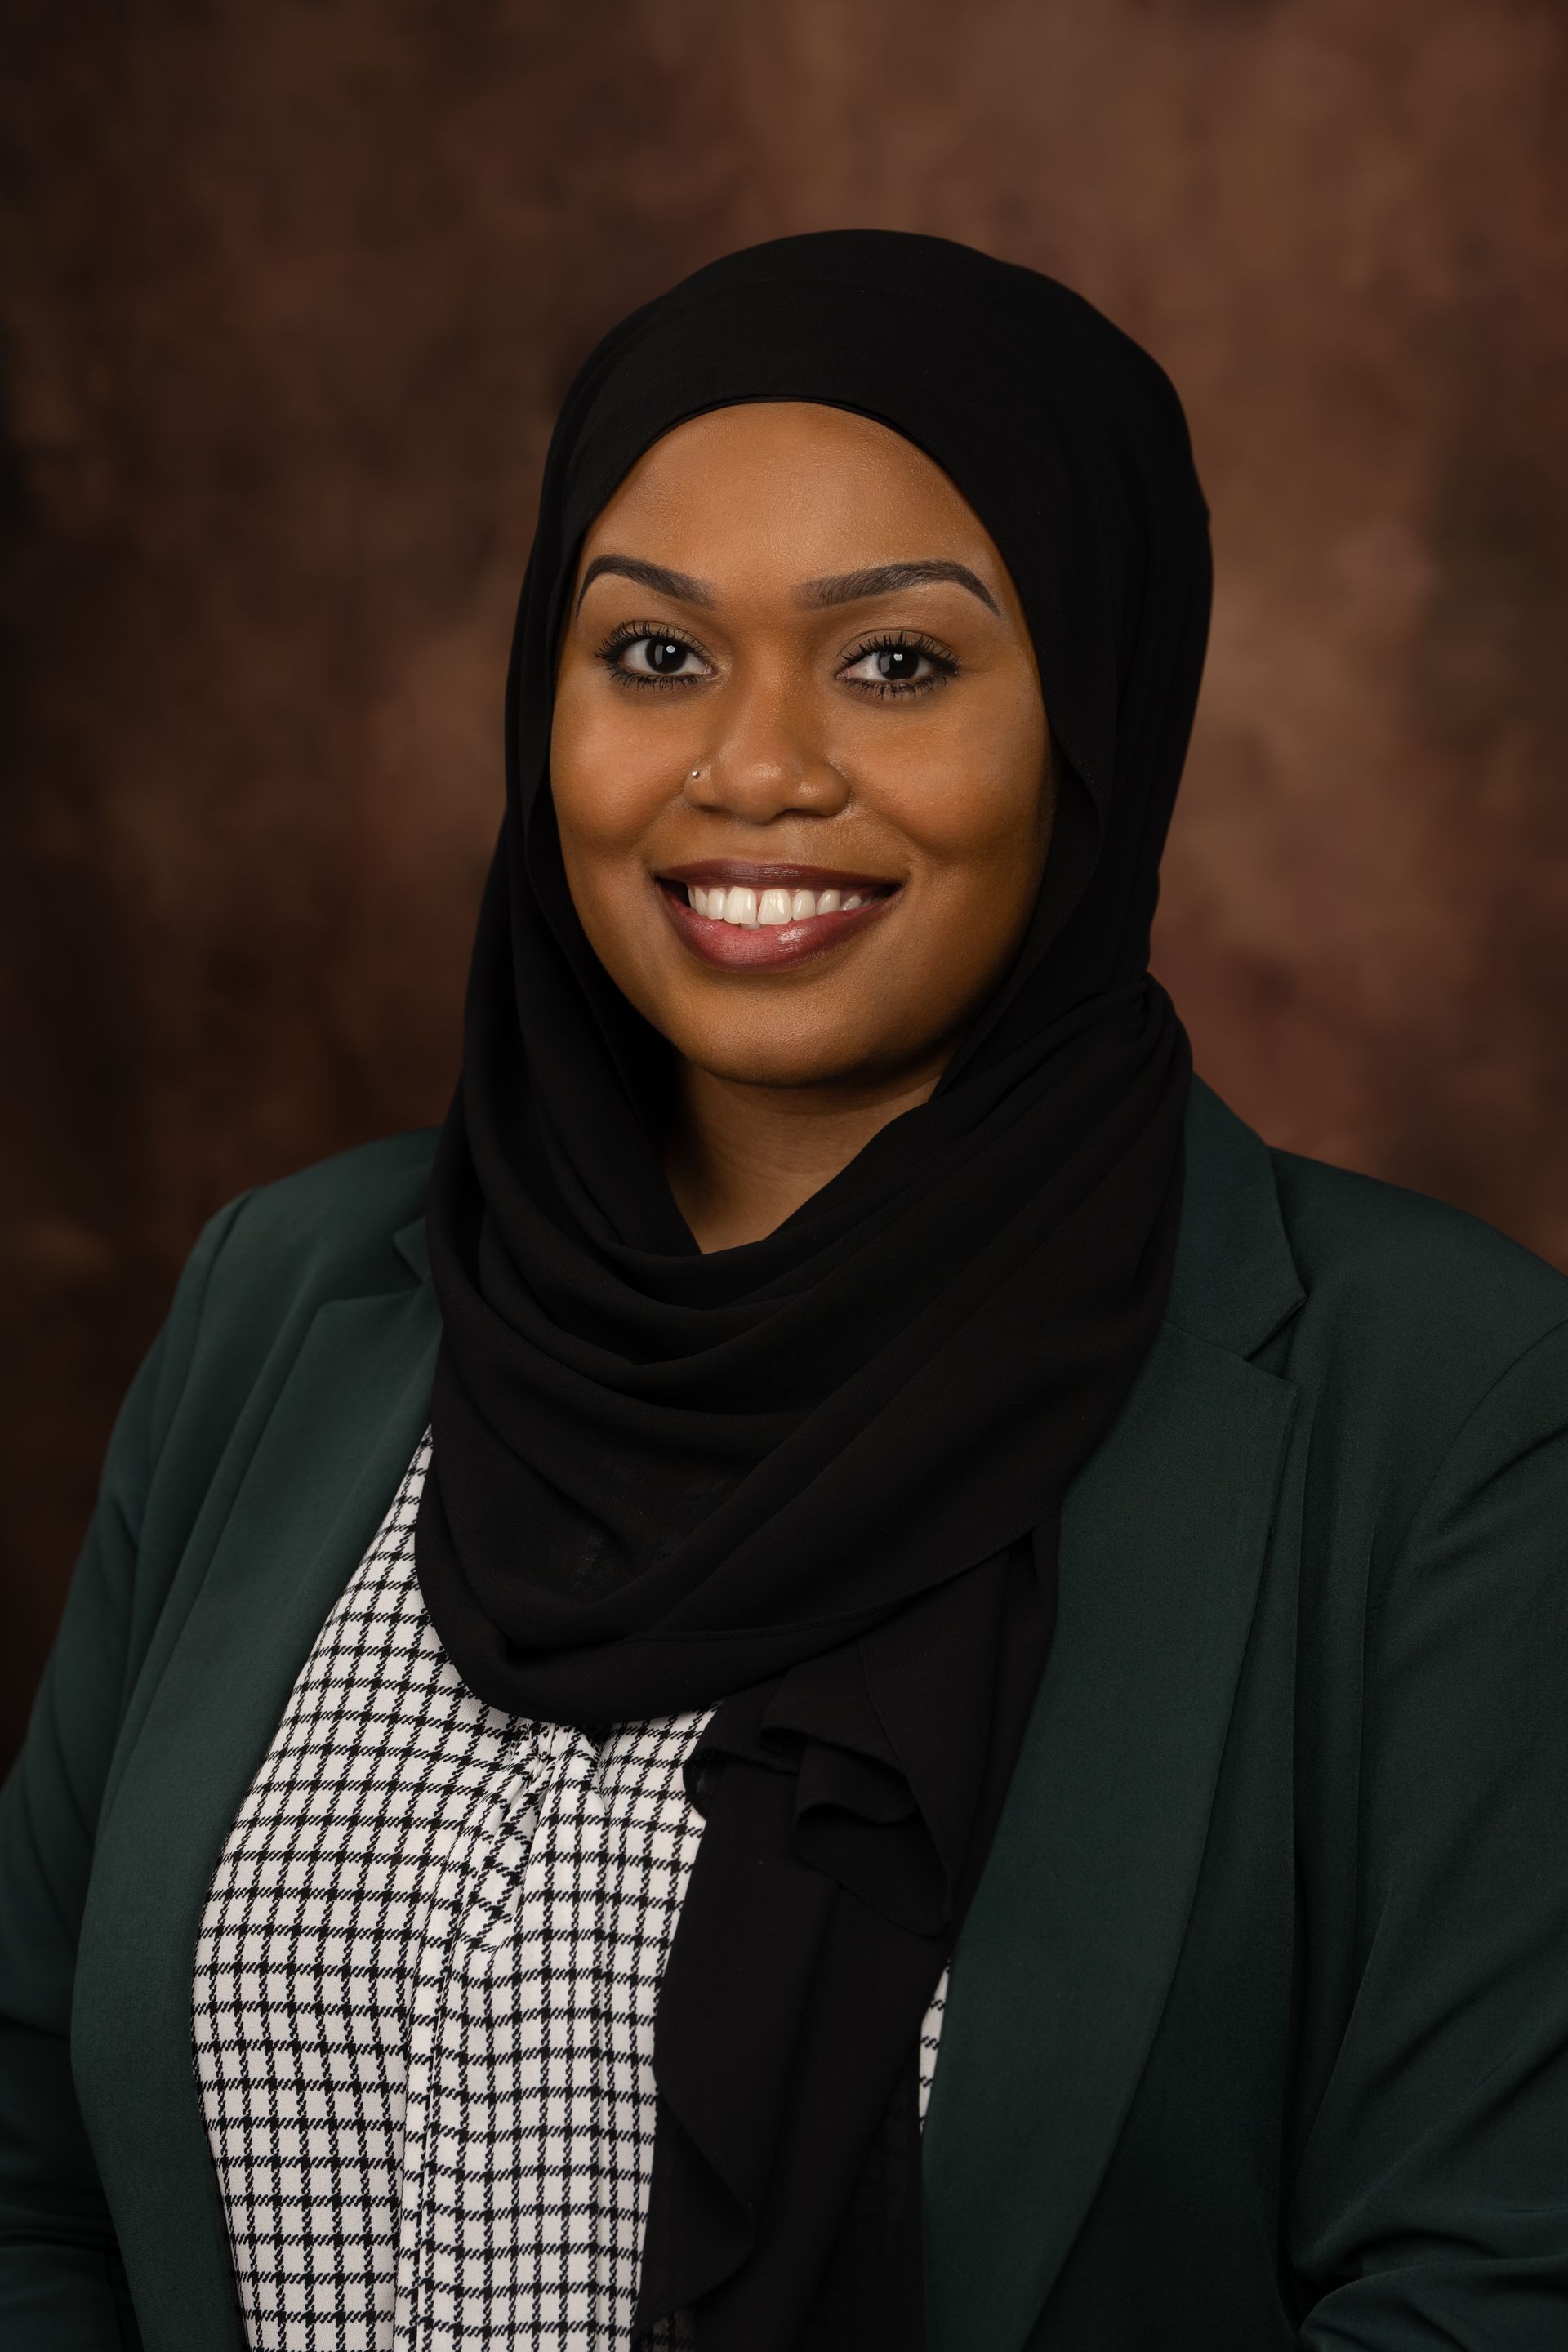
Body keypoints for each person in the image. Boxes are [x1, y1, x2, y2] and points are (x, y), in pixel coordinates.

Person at [3, 229, 1568, 2352]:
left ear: (1102, 715)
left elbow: (1483, 2288)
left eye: (898, 664)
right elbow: (32, 2169)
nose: (751, 770)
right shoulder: (292, 1302)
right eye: (652, 657)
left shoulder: (1437, 1406)